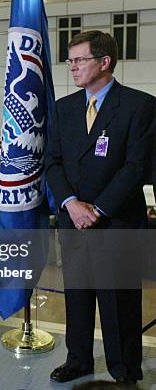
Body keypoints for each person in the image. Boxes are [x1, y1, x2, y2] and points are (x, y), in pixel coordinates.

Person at [44, 31, 155, 384]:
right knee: (77, 296)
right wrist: (72, 205)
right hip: (72, 219)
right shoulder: (64, 108)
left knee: (119, 301)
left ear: (104, 62)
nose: (72, 67)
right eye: (70, 60)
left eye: (79, 60)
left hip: (117, 221)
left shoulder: (140, 106)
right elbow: (53, 162)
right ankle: (78, 360)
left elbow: (136, 167)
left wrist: (98, 209)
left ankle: (124, 369)